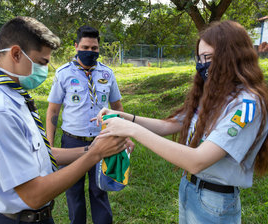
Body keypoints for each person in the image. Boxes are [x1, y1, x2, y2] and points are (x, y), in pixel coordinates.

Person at [94, 20, 268, 224]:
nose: (203, 65)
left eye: (209, 57)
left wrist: (132, 130)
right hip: (190, 188)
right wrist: (125, 117)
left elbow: (197, 161)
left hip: (215, 200)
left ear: (233, 56)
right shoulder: (213, 94)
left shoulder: (247, 105)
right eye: (200, 58)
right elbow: (170, 125)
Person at [0, 16, 127, 224]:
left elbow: (40, 154)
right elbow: (33, 195)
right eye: (42, 62)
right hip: (18, 219)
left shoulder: (16, 96)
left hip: (39, 217)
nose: (44, 70)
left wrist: (97, 147)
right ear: (16, 54)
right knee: (76, 196)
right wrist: (96, 153)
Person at [46, 25, 132, 224]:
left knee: (100, 190)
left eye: (94, 48)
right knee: (74, 192)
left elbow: (117, 106)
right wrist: (50, 146)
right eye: (85, 47)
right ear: (76, 46)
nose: (90, 52)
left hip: (102, 140)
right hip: (71, 141)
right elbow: (53, 111)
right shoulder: (64, 73)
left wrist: (123, 134)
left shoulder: (107, 74)